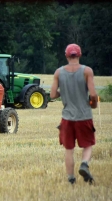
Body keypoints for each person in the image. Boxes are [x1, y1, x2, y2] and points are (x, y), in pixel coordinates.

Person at [50, 44, 98, 185]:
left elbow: (52, 94)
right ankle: (84, 164)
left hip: (67, 118)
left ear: (66, 55)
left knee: (69, 149)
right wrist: (93, 104)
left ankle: (71, 178)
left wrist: (63, 92)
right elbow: (93, 94)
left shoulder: (58, 72)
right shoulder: (86, 71)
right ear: (79, 55)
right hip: (84, 116)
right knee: (88, 145)